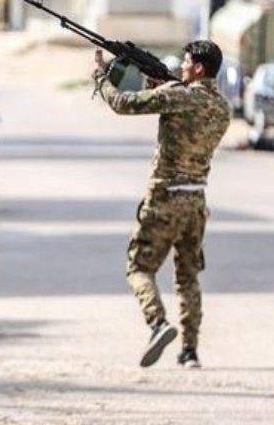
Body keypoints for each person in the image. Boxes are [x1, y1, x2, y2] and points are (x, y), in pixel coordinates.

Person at [91, 40, 232, 369]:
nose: (181, 67)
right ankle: (190, 350)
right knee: (187, 276)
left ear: (198, 68)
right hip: (196, 199)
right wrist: (164, 87)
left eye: (186, 63)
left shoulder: (178, 96)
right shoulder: (223, 108)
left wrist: (101, 76)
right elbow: (188, 112)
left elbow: (123, 103)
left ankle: (157, 323)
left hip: (165, 196)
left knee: (139, 267)